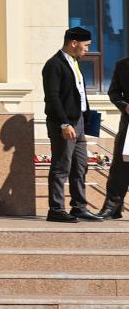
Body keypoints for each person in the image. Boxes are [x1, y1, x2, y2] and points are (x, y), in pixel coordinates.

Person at [42, 26, 100, 223]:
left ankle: (79, 207)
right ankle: (56, 209)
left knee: (80, 166)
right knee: (61, 166)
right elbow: (52, 98)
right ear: (74, 43)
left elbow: (78, 93)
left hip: (79, 121)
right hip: (64, 124)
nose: (87, 50)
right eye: (86, 45)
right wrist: (64, 124)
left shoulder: (75, 62)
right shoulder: (54, 64)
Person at [104, 52, 129, 218]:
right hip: (128, 123)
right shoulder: (122, 65)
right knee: (120, 166)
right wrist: (125, 106)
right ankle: (112, 207)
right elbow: (113, 92)